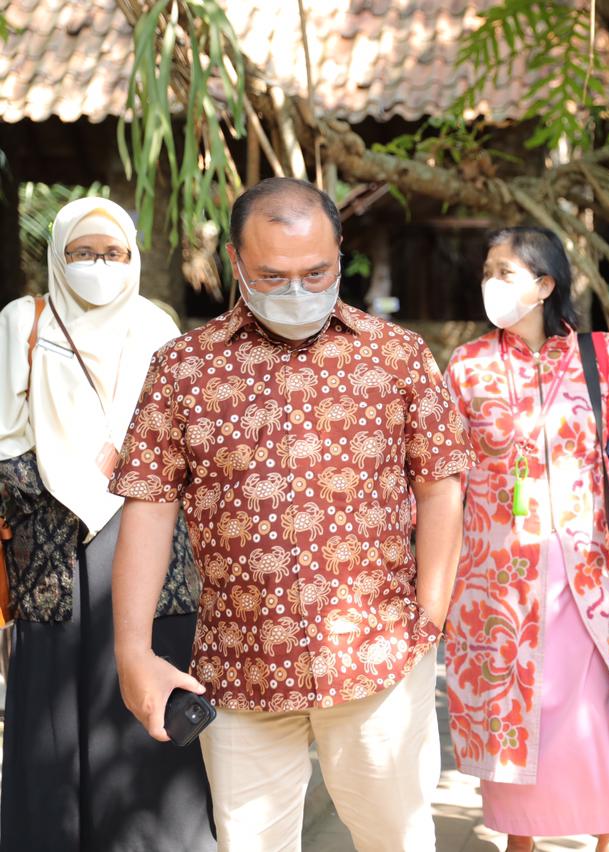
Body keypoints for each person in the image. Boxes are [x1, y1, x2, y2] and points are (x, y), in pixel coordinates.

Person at [109, 177, 472, 852]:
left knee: (396, 839)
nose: (297, 291)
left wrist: (429, 614)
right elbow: (149, 508)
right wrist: (133, 650)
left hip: (377, 659)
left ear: (340, 256)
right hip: (238, 666)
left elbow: (439, 485)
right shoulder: (183, 369)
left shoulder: (396, 356)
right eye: (272, 276)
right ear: (236, 263)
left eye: (316, 273)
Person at [0, 197, 213, 851]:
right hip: (51, 543)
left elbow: (182, 430)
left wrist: (133, 472)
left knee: (152, 689)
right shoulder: (24, 320)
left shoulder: (156, 323)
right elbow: (5, 437)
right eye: (82, 252)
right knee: (53, 708)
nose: (98, 264)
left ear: (133, 256)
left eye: (113, 252)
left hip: (149, 528)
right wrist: (64, 482)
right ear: (58, 255)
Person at [443, 227, 609, 852]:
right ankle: (520, 840)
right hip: (494, 582)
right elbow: (443, 473)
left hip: (583, 572)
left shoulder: (599, 356)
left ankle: (607, 836)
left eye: (505, 272)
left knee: (590, 711)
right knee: (514, 712)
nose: (491, 282)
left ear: (543, 285)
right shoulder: (467, 366)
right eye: (487, 270)